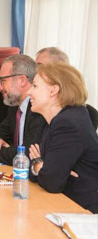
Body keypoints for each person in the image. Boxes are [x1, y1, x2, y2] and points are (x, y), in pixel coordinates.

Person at [28, 63, 98, 213]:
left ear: (54, 90)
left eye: (34, 86)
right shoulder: (53, 119)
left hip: (82, 211)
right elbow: (33, 164)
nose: (29, 92)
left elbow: (51, 181)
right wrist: (42, 166)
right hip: (63, 202)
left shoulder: (68, 122)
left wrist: (40, 165)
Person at [0, 55, 46, 165]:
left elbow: (25, 154)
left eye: (3, 81)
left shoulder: (39, 110)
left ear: (22, 81)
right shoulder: (14, 107)